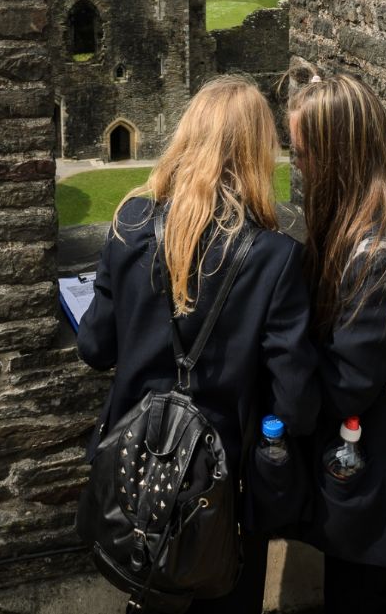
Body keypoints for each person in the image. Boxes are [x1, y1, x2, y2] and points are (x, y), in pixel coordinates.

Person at [77, 74, 321, 614]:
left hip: (136, 467)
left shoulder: (131, 223)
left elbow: (95, 347)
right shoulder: (275, 257)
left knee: (148, 595)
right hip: (225, 485)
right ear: (259, 151)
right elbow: (296, 399)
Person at [289, 70, 386, 614]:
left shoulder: (379, 252)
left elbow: (347, 386)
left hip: (375, 475)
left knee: (362, 597)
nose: (299, 166)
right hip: (369, 468)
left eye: (304, 154)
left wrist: (280, 367)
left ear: (336, 157)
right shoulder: (376, 216)